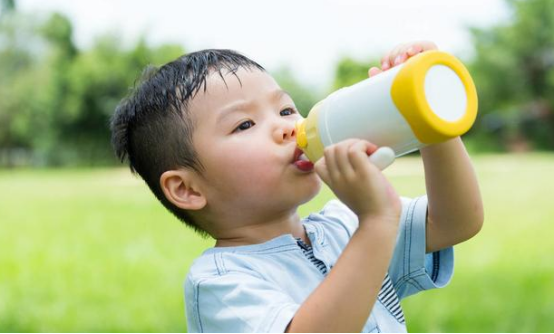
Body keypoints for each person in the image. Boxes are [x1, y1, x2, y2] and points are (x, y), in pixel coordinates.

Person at [110, 41, 483, 333]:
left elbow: (456, 222)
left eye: (286, 110)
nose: (288, 127)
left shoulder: (342, 226)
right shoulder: (221, 283)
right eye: (244, 125)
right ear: (187, 189)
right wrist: (376, 223)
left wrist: (427, 120)